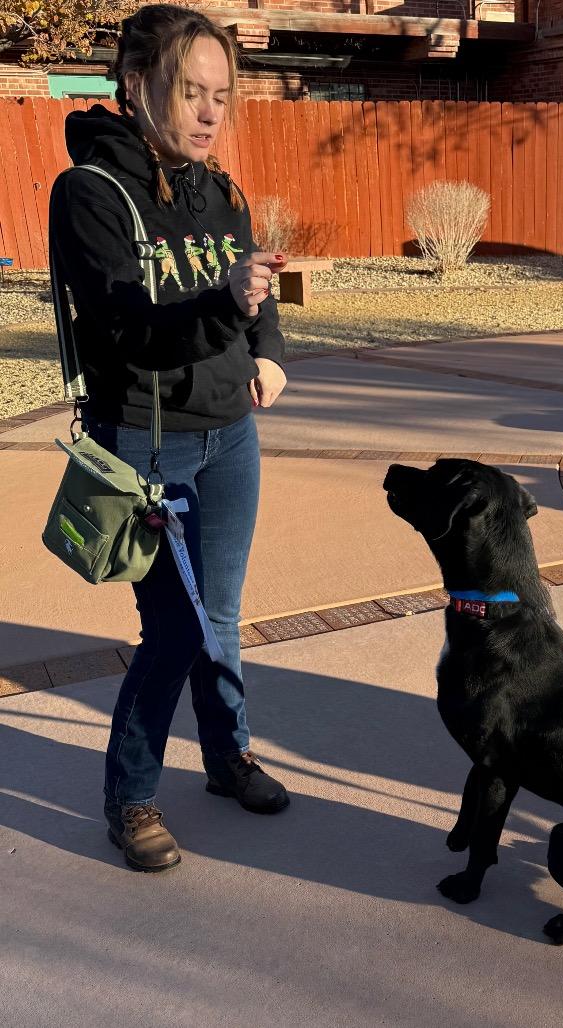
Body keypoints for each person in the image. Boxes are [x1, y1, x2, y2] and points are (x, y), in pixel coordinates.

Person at [49, 4, 291, 872]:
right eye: (190, 91)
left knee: (220, 616)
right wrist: (225, 302)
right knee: (178, 629)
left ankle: (226, 758)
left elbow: (253, 282)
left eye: (221, 95)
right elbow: (128, 330)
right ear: (135, 85)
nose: (209, 111)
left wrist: (266, 350)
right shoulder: (91, 194)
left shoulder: (218, 188)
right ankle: (132, 795)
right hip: (150, 448)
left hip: (231, 439)